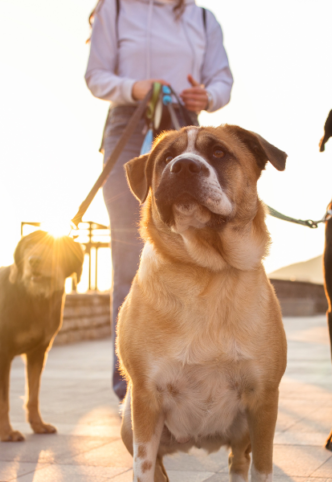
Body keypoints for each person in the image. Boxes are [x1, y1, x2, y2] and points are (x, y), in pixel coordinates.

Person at [85, 0, 233, 401]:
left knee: (191, 250)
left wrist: (208, 96)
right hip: (130, 128)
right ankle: (132, 385)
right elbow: (95, 76)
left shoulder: (203, 18)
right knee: (129, 255)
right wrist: (136, 87)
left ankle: (188, 371)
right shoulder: (116, 8)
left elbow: (222, 80)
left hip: (187, 132)